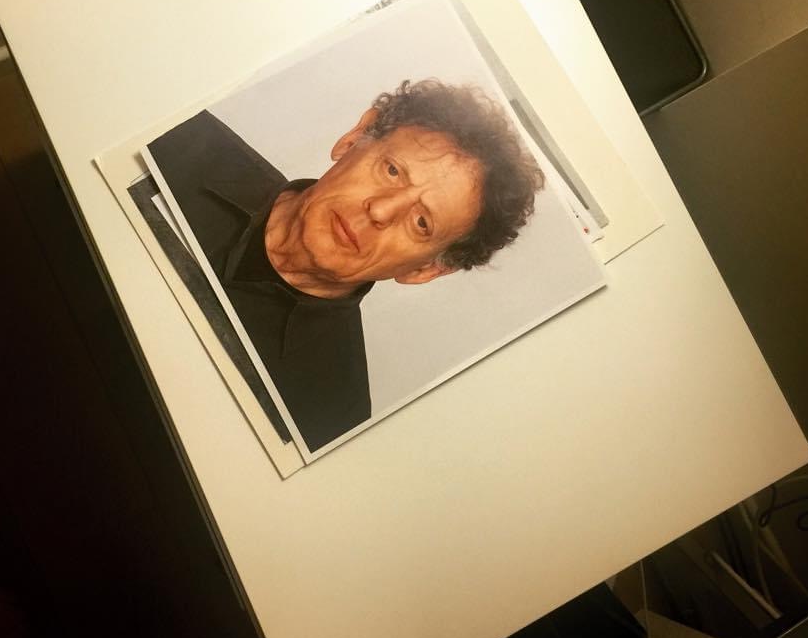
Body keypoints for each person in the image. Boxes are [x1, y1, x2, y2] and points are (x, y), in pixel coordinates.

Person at [146, 79, 544, 452]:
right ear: (354, 139)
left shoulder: (326, 414)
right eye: (392, 170)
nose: (381, 210)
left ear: (425, 270)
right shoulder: (173, 139)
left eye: (422, 223)